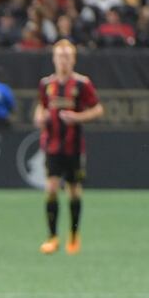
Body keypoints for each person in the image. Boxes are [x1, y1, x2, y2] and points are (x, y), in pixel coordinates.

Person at [33, 40, 104, 255]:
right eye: (59, 56)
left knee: (73, 190)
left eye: (67, 56)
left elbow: (98, 109)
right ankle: (52, 236)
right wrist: (39, 117)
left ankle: (74, 234)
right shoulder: (46, 84)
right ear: (54, 59)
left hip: (73, 147)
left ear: (73, 59)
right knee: (52, 188)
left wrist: (78, 117)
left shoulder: (82, 84)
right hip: (52, 145)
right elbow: (41, 106)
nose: (63, 60)